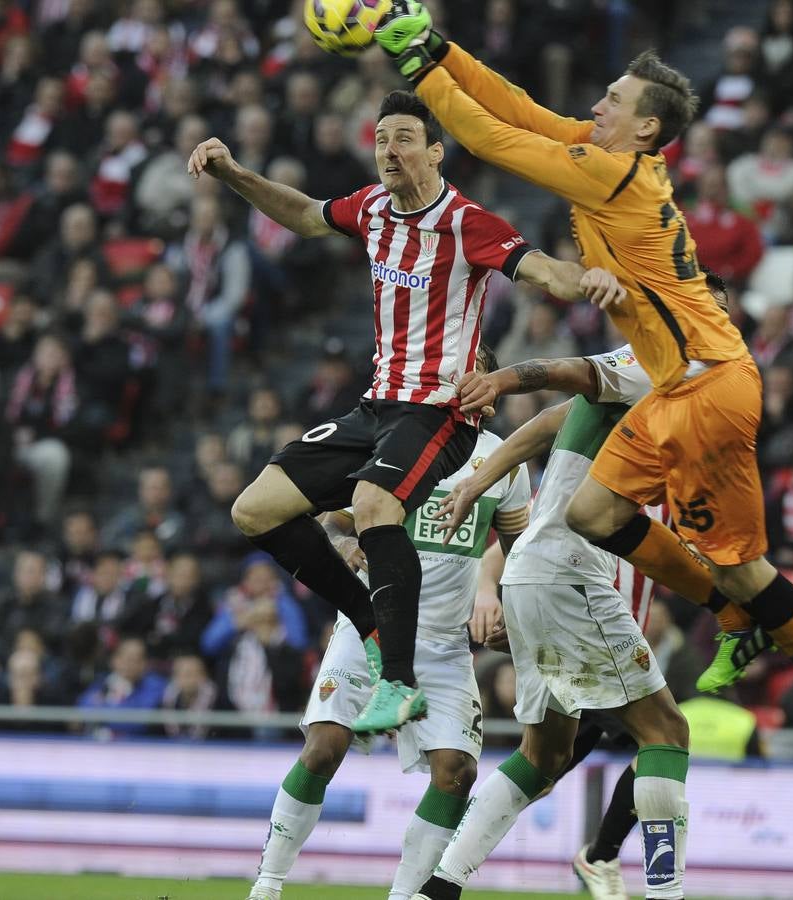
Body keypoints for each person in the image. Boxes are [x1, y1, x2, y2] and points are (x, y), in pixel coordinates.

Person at [374, 6, 793, 791]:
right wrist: (441, 47)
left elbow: (489, 140)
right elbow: (518, 109)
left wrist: (416, 70)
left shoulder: (610, 174)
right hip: (671, 384)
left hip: (711, 385)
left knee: (747, 572)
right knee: (594, 516)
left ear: (648, 129)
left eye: (613, 102)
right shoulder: (606, 156)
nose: (596, 108)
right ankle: (731, 619)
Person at [188, 88, 623, 734]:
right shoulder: (369, 208)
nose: (389, 151)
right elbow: (306, 215)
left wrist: (591, 278)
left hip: (441, 412)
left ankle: (398, 682)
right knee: (254, 509)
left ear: (436, 152)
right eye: (381, 139)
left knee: (372, 505)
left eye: (404, 138)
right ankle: (369, 624)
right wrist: (231, 174)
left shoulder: (466, 222)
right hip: (377, 406)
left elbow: (542, 273)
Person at [249, 348, 531, 900]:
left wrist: (501, 601)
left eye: (476, 379)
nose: (462, 385)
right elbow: (328, 516)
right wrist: (341, 542)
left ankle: (405, 896)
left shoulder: (506, 463)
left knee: (456, 771)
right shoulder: (390, 444)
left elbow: (519, 547)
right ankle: (268, 883)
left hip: (445, 643)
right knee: (325, 747)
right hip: (370, 630)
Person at [419, 342, 683, 900]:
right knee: (666, 733)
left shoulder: (669, 405)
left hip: (547, 583)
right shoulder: (649, 369)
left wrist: (477, 481)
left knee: (544, 757)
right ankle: (650, 885)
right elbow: (566, 377)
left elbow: (546, 424)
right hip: (573, 583)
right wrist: (505, 382)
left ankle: (438, 888)